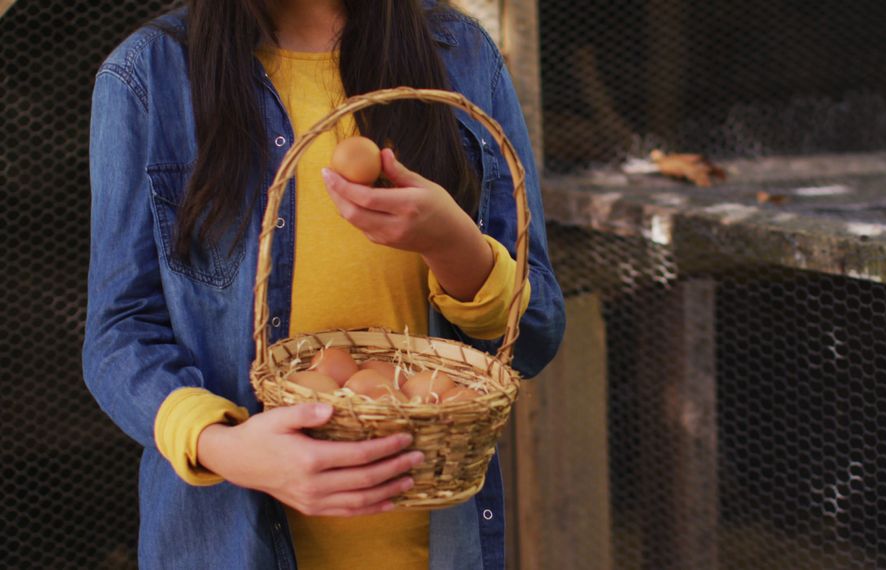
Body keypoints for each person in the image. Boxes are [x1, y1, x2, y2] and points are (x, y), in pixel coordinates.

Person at [83, 0, 565, 568]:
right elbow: (118, 333)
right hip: (232, 542)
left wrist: (451, 244)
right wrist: (225, 447)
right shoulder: (149, 75)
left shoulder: (458, 55)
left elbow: (534, 338)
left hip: (433, 545)